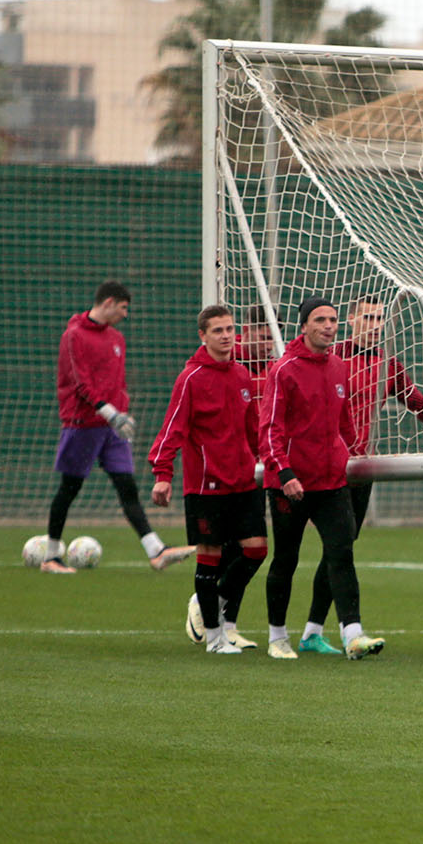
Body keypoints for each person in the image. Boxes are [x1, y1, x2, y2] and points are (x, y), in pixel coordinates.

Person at [293, 296, 423, 656]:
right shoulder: (332, 358)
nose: (374, 325)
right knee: (286, 552)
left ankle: (312, 632)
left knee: (338, 549)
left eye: (379, 319)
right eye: (367, 318)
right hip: (321, 468)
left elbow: (418, 403)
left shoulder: (388, 365)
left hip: (361, 470)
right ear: (351, 321)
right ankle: (228, 614)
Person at [261, 298, 383, 660]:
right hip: (291, 484)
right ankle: (277, 636)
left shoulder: (338, 367)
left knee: (341, 552)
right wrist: (284, 471)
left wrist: (353, 453)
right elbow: (269, 428)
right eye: (320, 320)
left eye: (332, 320)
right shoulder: (284, 370)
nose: (328, 326)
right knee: (286, 559)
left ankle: (353, 634)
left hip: (331, 482)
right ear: (304, 326)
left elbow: (343, 424)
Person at [47, 280, 194, 574]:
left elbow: (118, 381)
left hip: (113, 428)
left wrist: (121, 412)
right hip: (83, 424)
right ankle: (51, 556)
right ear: (109, 302)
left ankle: (156, 551)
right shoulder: (74, 335)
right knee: (69, 488)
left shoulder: (116, 338)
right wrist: (109, 412)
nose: (125, 314)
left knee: (127, 487)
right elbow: (80, 382)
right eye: (123, 307)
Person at [148, 305, 266, 654]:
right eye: (218, 330)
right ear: (203, 335)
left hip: (243, 482)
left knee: (257, 549)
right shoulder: (191, 379)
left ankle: (207, 603)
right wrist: (162, 474)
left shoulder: (243, 375)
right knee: (210, 557)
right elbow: (173, 428)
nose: (226, 335)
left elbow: (254, 428)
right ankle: (214, 637)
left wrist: (271, 461)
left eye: (230, 329)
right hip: (206, 486)